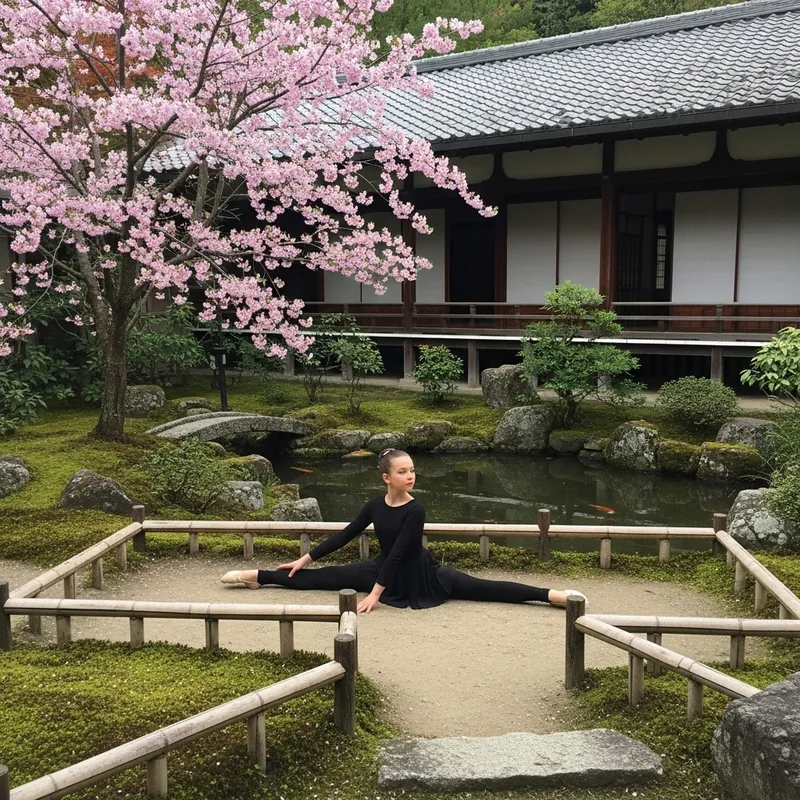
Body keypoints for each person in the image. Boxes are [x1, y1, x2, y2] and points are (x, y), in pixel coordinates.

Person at [221, 448, 587, 613]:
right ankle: (258, 576)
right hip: (381, 570)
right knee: (321, 578)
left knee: (483, 588)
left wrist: (375, 595)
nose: (410, 475)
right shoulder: (375, 505)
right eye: (402, 471)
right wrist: (304, 558)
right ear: (386, 477)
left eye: (412, 470)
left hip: (422, 575)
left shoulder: (417, 508)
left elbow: (400, 554)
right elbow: (344, 535)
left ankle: (549, 594)